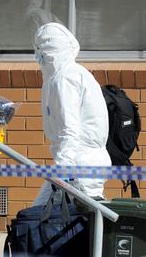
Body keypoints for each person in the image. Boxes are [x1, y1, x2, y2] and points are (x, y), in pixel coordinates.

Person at [32, 22, 111, 206]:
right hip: (77, 161)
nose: (38, 56)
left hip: (80, 164)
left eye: (41, 49)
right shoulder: (60, 78)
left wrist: (64, 167)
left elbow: (70, 128)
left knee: (74, 221)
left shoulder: (65, 78)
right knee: (41, 218)